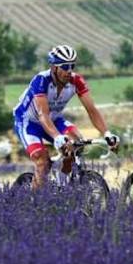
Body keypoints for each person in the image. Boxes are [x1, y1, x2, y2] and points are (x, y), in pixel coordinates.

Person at [13, 45, 119, 189]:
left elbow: (92, 110)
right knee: (42, 161)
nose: (69, 71)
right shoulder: (41, 80)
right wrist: (57, 137)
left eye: (72, 66)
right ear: (54, 67)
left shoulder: (76, 81)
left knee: (76, 143)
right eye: (64, 66)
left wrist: (107, 133)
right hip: (29, 122)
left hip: (54, 120)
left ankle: (62, 187)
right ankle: (34, 200)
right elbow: (43, 115)